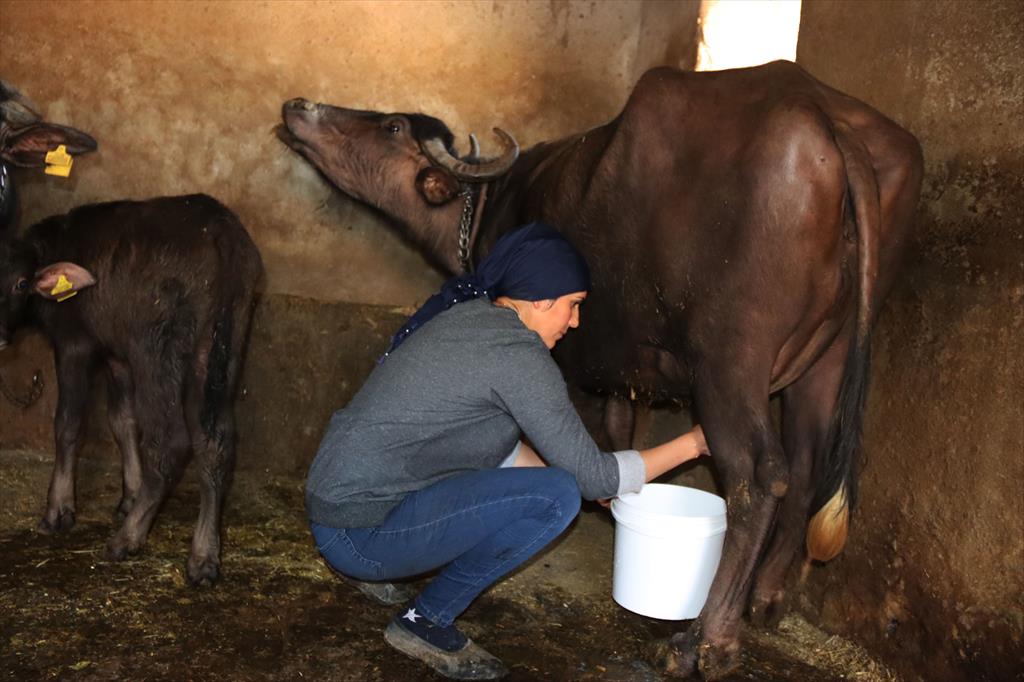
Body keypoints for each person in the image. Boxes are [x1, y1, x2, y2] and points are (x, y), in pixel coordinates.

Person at [305, 222, 710, 680]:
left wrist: (584, 473)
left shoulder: (471, 318)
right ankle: (425, 622)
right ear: (540, 299)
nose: (575, 322)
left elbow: (496, 445)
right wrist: (694, 443)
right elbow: (591, 480)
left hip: (335, 509)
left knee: (558, 481)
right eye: (573, 306)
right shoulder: (520, 358)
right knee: (558, 497)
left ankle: (376, 569)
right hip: (358, 536)